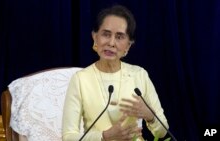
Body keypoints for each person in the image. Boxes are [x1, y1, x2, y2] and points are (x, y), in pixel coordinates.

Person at [62, 4, 169, 141]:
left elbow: (162, 132)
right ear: (95, 37)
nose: (111, 43)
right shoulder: (80, 79)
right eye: (106, 34)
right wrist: (103, 137)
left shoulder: (139, 75)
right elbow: (68, 137)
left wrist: (150, 116)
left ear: (128, 45)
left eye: (119, 37)